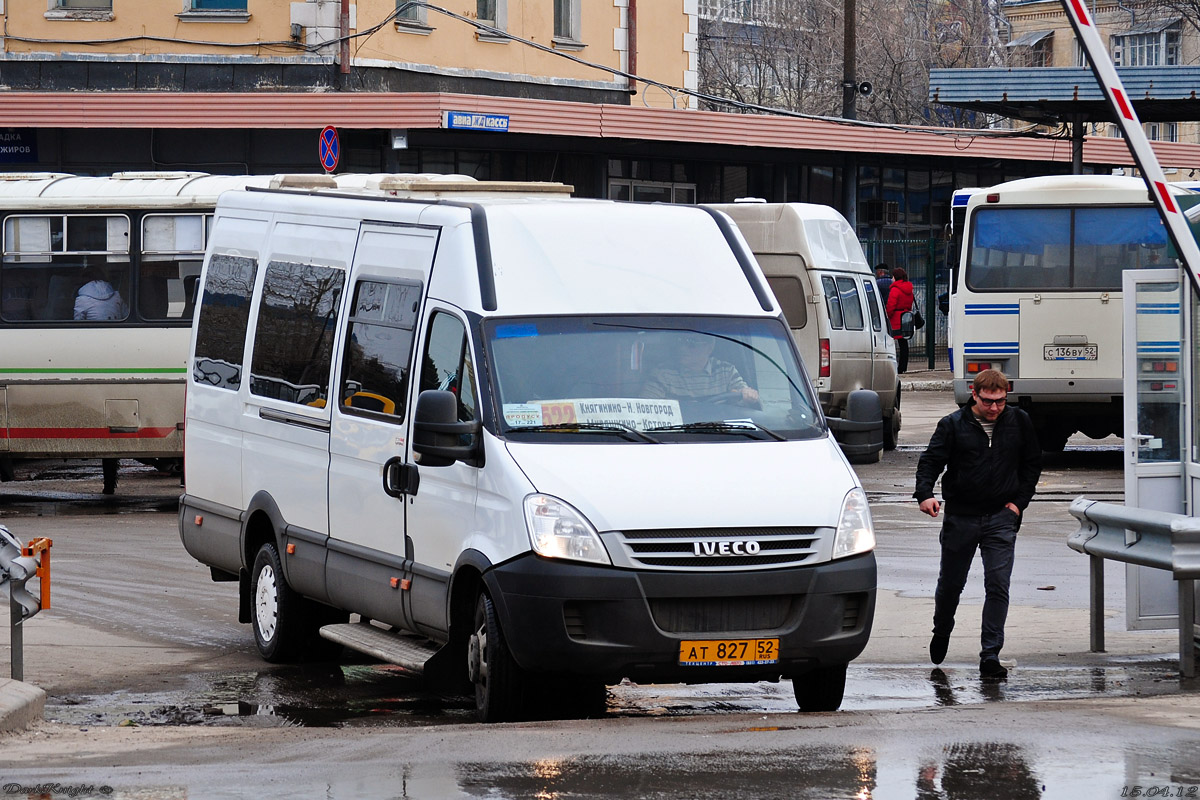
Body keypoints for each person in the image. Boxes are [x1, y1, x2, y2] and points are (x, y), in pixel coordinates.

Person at [914, 368, 1041, 680]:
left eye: (1000, 401)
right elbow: (931, 461)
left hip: (1002, 517)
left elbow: (1032, 464)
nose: (994, 408)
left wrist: (1017, 505)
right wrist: (925, 494)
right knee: (950, 585)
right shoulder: (953, 425)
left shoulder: (1018, 421)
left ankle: (990, 655)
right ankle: (942, 627)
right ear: (974, 394)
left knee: (998, 585)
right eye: (988, 401)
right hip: (961, 516)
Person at [642, 334, 759, 405]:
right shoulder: (662, 374)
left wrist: (748, 395)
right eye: (680, 342)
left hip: (721, 436)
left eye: (691, 343)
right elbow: (646, 409)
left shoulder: (726, 371)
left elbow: (744, 394)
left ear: (710, 347)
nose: (682, 348)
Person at [885, 266, 915, 374]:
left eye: (893, 276)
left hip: (895, 319)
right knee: (903, 344)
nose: (892, 278)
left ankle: (893, 367)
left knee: (890, 343)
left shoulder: (895, 289)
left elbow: (891, 305)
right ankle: (903, 367)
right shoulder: (909, 289)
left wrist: (887, 315)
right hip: (905, 318)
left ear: (896, 277)